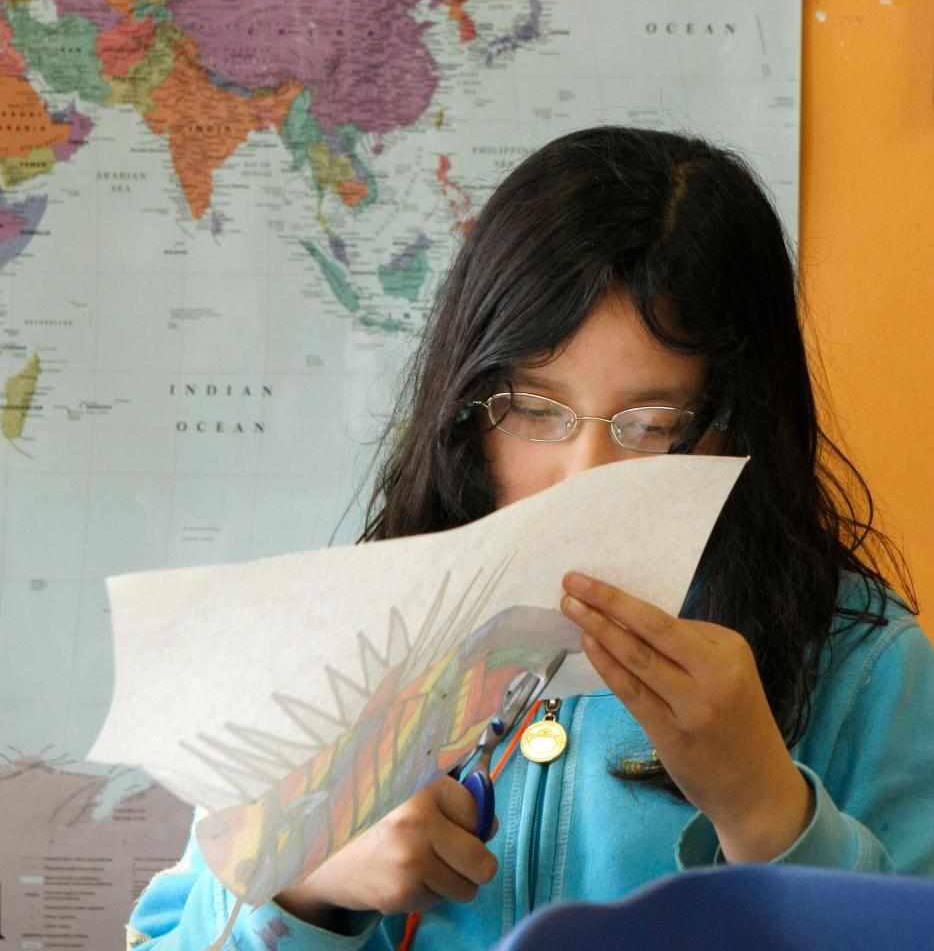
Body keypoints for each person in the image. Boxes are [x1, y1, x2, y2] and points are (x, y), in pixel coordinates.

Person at [127, 127, 934, 951]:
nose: (586, 474)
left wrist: (767, 809)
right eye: (535, 411)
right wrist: (304, 885)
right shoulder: (341, 633)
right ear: (468, 406)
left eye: (653, 425)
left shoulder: (864, 664)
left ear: (737, 425)